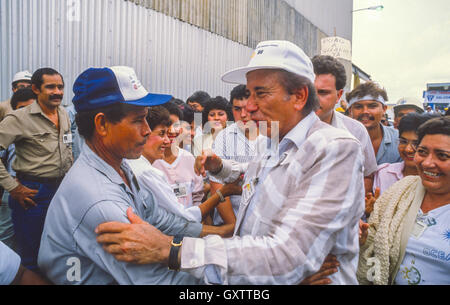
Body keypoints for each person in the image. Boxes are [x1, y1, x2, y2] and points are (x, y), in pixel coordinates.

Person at [95, 40, 365, 285]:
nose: (248, 107)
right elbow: (261, 177)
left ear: (299, 97)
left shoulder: (335, 149)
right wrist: (220, 168)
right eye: (248, 94)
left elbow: (287, 256)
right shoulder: (274, 141)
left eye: (260, 93)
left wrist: (171, 249)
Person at [37, 66, 229, 285]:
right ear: (102, 124)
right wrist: (232, 272)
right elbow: (156, 280)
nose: (147, 130)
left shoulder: (121, 165)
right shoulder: (101, 201)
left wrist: (221, 235)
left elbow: (160, 219)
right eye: (139, 120)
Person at [358, 116, 450, 285]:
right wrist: (363, 239)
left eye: (442, 156)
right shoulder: (401, 191)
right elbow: (373, 240)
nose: (428, 163)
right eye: (422, 152)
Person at [0, 68, 73, 272]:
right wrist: (12, 187)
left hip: (60, 191)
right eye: (50, 87)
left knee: (56, 250)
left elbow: (67, 149)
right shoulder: (18, 119)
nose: (57, 91)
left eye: (60, 87)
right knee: (32, 254)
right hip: (33, 194)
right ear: (35, 89)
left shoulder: (63, 113)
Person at [126, 106, 238, 236]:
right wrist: (221, 195)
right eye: (162, 133)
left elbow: (196, 199)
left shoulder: (187, 158)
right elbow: (182, 218)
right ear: (144, 132)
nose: (168, 138)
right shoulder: (147, 173)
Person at [312, 55, 377, 193]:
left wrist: (349, 207)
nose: (314, 99)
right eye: (310, 91)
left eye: (323, 92)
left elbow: (368, 175)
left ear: (339, 95)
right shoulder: (275, 127)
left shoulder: (356, 131)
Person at [209, 84, 262, 226]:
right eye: (237, 109)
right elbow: (217, 186)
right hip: (229, 222)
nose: (243, 115)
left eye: (247, 108)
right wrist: (234, 228)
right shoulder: (224, 137)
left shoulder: (269, 135)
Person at [153, 102, 205, 209]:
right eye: (168, 124)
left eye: (176, 125)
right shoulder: (150, 161)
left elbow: (197, 197)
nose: (172, 130)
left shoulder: (189, 158)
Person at [373, 112, 439, 195]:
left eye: (416, 143)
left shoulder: (440, 179)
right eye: (403, 142)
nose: (408, 149)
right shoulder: (384, 174)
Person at [347, 81, 402, 165]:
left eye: (372, 106)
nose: (365, 111)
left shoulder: (399, 139)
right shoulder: (340, 139)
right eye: (358, 107)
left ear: (384, 109)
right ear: (350, 110)